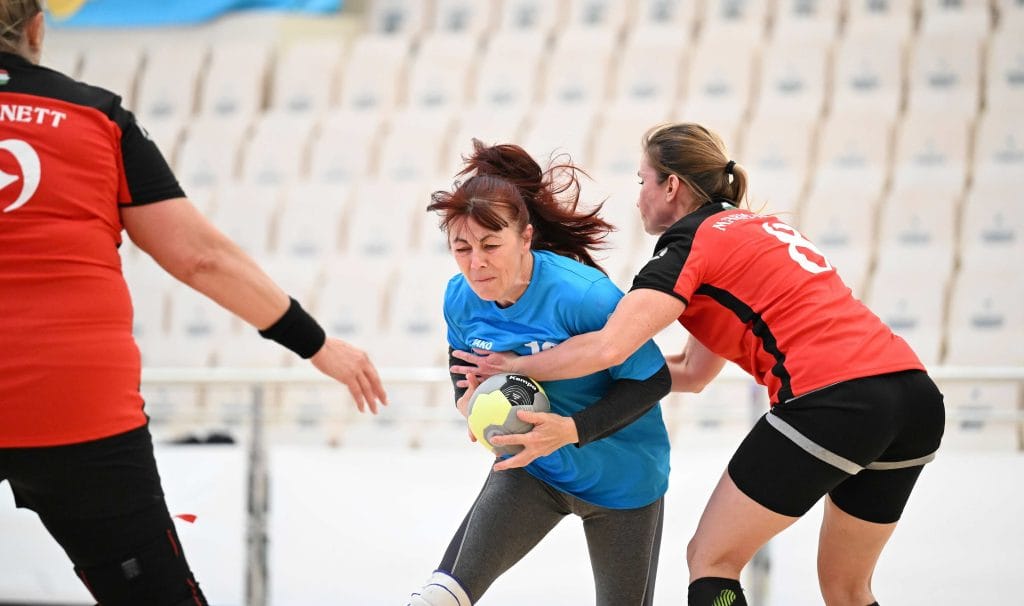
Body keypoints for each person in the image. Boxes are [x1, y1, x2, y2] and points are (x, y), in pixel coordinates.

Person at [451, 123, 946, 606]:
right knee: (847, 591)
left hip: (835, 398)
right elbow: (691, 372)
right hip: (915, 399)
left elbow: (609, 348)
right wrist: (599, 381)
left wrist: (517, 366)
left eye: (642, 181)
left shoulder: (689, 243)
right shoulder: (759, 229)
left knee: (711, 560)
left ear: (671, 186)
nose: (639, 198)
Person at [0, 3, 387, 605]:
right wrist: (316, 343)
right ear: (36, 29)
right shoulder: (96, 116)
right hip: (75, 402)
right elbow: (199, 257)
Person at [405, 139, 673, 606]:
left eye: (491, 245)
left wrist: (569, 429)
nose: (476, 263)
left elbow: (654, 379)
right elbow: (460, 362)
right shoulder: (459, 297)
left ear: (525, 238)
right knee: (439, 598)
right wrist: (466, 399)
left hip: (624, 477)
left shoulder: (583, 295)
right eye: (461, 248)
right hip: (533, 469)